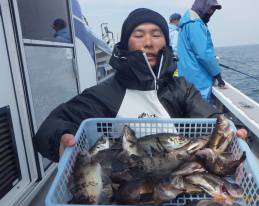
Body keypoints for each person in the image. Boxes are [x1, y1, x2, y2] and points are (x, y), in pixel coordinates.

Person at [34, 8, 224, 162]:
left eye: (156, 35)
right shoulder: (105, 94)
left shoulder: (183, 88)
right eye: (139, 35)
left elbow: (210, 117)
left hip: (179, 183)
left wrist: (229, 130)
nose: (148, 43)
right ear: (126, 43)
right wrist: (61, 137)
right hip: (128, 195)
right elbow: (50, 126)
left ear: (166, 43)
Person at [177, 0, 225, 101]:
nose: (211, 12)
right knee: (202, 111)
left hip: (187, 81)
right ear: (201, 6)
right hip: (199, 83)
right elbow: (203, 53)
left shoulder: (186, 23)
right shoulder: (195, 24)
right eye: (210, 8)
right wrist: (217, 74)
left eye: (214, 10)